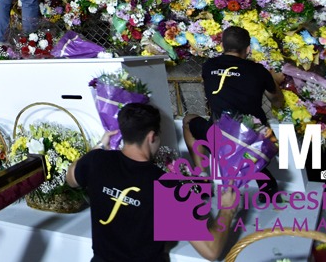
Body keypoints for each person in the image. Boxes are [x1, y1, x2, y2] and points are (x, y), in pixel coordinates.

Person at [67, 102, 238, 261]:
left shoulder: (96, 160)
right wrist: (227, 209)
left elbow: (71, 179)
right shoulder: (166, 185)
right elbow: (211, 250)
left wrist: (99, 146)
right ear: (152, 136)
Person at [183, 25, 285, 189]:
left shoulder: (209, 66)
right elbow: (278, 102)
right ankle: (264, 179)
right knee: (250, 135)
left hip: (220, 138)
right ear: (248, 49)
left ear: (222, 45)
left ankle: (202, 179)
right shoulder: (258, 71)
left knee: (189, 120)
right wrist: (273, 80)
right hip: (253, 140)